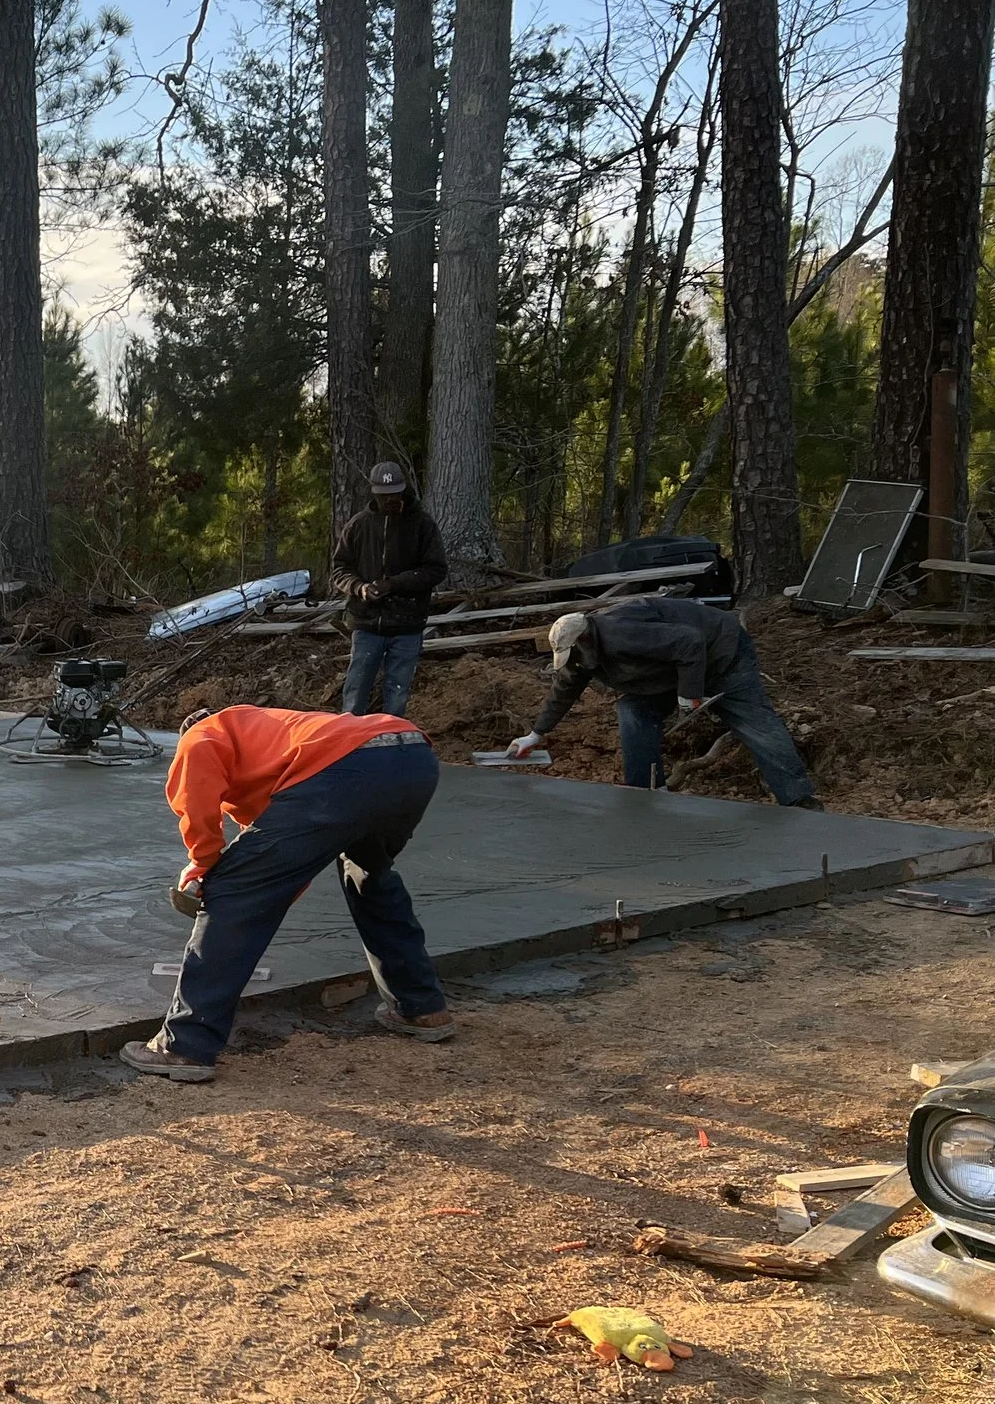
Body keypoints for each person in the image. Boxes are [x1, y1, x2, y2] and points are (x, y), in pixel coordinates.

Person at [123, 704, 456, 1083]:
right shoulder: (277, 738)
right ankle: (421, 1007)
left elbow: (196, 804)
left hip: (345, 770)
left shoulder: (204, 732)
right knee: (370, 877)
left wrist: (204, 864)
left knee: (234, 892)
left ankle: (184, 1045)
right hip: (411, 758)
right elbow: (290, 858)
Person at [504, 597, 820, 807]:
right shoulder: (581, 657)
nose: (571, 662)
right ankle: (646, 795)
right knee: (633, 709)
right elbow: (563, 691)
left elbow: (690, 642)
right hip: (674, 669)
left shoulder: (620, 632)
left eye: (571, 655)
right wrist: (535, 734)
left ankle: (799, 801)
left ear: (584, 640)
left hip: (723, 654)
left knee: (754, 722)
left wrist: (689, 694)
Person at [332, 461, 450, 716]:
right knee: (355, 691)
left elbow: (436, 569)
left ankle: (390, 743)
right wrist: (360, 588)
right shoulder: (358, 525)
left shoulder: (422, 524)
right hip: (366, 623)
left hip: (408, 622)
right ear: (374, 493)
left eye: (395, 493)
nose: (390, 500)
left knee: (397, 693)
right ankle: (348, 743)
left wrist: (394, 584)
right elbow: (339, 570)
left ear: (404, 490)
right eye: (385, 495)